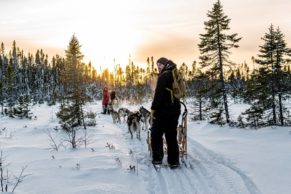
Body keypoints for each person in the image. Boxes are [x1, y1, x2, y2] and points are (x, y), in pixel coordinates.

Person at [150, 57, 181, 169]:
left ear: (165, 64)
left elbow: (159, 94)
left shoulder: (164, 76)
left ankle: (157, 159)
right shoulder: (174, 73)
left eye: (160, 65)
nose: (158, 67)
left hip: (164, 110)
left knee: (156, 134)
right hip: (175, 109)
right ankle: (174, 161)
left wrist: (153, 108)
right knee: (171, 135)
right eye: (157, 65)